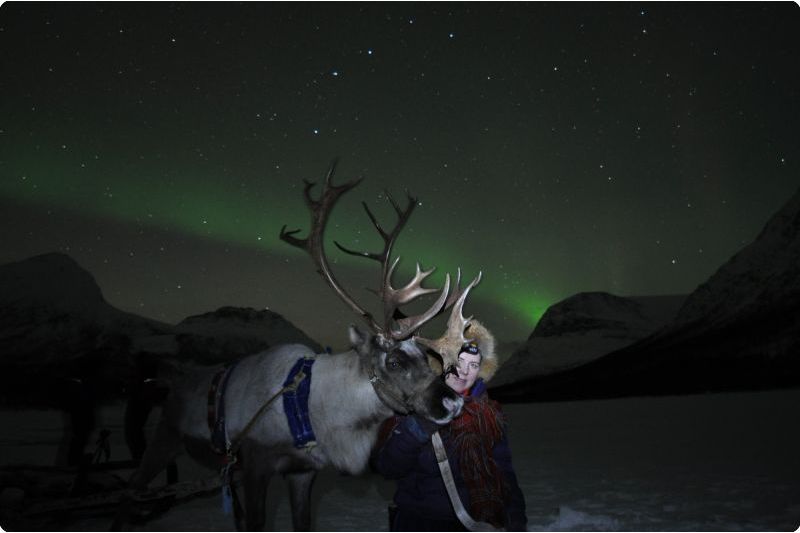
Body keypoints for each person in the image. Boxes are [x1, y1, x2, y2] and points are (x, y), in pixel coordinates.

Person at [373, 321, 527, 531]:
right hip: (421, 522)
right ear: (444, 362)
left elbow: (504, 473)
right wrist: (417, 429)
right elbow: (388, 467)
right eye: (459, 361)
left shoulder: (489, 414)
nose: (464, 372)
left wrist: (516, 519)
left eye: (474, 364)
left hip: (479, 523)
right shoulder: (416, 406)